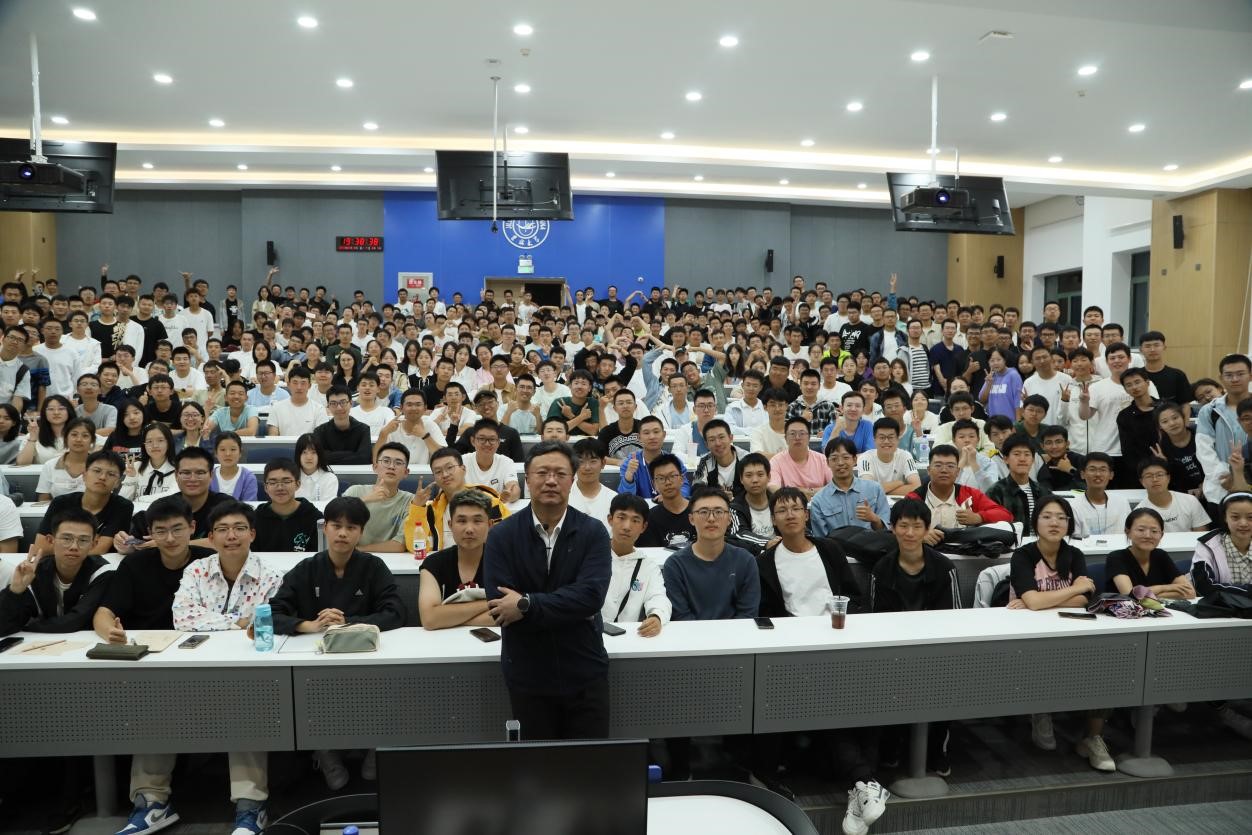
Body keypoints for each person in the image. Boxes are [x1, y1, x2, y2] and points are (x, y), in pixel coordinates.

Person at [268, 496, 406, 787]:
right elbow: (273, 613)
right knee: (306, 693)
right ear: (325, 528)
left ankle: (375, 750)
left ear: (361, 532)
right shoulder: (306, 568)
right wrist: (310, 625)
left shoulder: (373, 566)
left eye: (351, 527)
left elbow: (396, 612)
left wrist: (348, 623)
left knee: (389, 688)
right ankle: (325, 752)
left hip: (366, 658)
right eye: (336, 526)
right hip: (316, 659)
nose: (343, 533)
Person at [164, 501, 282, 835]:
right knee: (155, 701)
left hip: (248, 670)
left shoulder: (271, 576)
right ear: (211, 537)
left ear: (252, 534)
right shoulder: (196, 571)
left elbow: (266, 622)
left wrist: (219, 621)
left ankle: (250, 805)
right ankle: (151, 801)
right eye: (222, 530)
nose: (231, 536)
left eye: (240, 528)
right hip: (194, 666)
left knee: (246, 705)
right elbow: (182, 616)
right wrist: (236, 622)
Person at [482, 440, 614, 740]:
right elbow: (499, 606)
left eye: (560, 473)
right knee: (537, 764)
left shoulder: (593, 532)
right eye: (542, 473)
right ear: (527, 479)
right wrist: (566, 608)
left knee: (590, 761)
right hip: (528, 673)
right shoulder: (502, 535)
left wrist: (526, 604)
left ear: (572, 480)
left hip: (585, 670)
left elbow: (590, 598)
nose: (551, 480)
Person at [0, 507, 111, 834]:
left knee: (71, 721)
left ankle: (70, 798)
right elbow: (4, 625)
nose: (74, 547)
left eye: (82, 540)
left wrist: (30, 625)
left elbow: (76, 621)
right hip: (38, 663)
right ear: (50, 540)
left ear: (93, 544)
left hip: (87, 669)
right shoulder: (35, 570)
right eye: (66, 539)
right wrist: (16, 590)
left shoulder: (102, 572)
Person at [1006, 497, 1113, 772]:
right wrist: (1073, 589)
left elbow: (1083, 601)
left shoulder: (1074, 554)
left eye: (1061, 517)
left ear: (1069, 524)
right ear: (1035, 522)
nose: (1054, 522)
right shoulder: (1023, 555)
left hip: (1071, 627)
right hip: (1030, 633)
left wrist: (1039, 599)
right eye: (1047, 516)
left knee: (1104, 664)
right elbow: (1040, 601)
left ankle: (1093, 738)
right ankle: (1040, 708)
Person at [869, 498, 961, 777]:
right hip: (894, 651)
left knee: (946, 682)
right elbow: (875, 620)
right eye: (903, 526)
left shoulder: (944, 568)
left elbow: (954, 619)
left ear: (927, 530)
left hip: (936, 650)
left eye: (917, 526)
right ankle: (891, 746)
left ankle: (937, 749)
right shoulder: (882, 570)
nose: (909, 533)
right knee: (887, 682)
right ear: (892, 528)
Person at [119, 447, 230, 550]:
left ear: (211, 475)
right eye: (186, 473)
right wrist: (125, 545)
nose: (192, 478)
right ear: (176, 476)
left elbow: (229, 541)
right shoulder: (163, 506)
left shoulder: (226, 506)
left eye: (200, 473)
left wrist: (166, 544)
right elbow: (138, 542)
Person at [418, 488, 498, 630]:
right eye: (461, 521)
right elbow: (429, 619)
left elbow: (512, 612)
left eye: (477, 521)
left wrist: (449, 618)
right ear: (450, 525)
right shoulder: (433, 564)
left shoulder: (504, 561)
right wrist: (490, 603)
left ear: (490, 525)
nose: (469, 529)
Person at [403, 447, 511, 552]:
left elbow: (506, 541)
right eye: (438, 471)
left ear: (463, 469)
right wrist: (417, 507)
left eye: (449, 467)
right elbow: (416, 548)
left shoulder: (489, 502)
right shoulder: (431, 510)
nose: (445, 474)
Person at [905, 444, 1013, 546]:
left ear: (957, 472)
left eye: (950, 466)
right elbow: (900, 527)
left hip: (965, 554)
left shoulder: (970, 495)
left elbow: (1006, 515)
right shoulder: (915, 498)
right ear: (928, 470)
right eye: (938, 465)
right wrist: (920, 535)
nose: (944, 470)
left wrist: (979, 517)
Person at [599, 493, 670, 635]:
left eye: (635, 520)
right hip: (589, 634)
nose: (627, 526)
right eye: (621, 517)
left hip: (630, 635)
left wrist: (656, 616)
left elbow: (658, 597)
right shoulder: (591, 557)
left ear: (644, 527)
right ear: (610, 519)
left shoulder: (648, 566)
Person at [36, 450, 133, 554]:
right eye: (97, 471)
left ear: (117, 482)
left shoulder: (123, 506)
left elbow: (100, 550)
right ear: (84, 475)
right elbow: (41, 547)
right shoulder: (60, 503)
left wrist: (63, 544)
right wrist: (87, 544)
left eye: (111, 474)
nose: (102, 477)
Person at [1104, 508, 1196, 598]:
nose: (1148, 535)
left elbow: (1190, 593)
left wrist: (1146, 595)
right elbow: (1130, 595)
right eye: (1141, 530)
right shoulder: (1116, 557)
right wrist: (1166, 588)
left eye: (1154, 531)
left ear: (1161, 535)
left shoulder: (1160, 556)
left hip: (1159, 608)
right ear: (1127, 532)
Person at [342, 441, 416, 551]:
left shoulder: (410, 500)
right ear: (375, 467)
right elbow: (335, 518)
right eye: (386, 461)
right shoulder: (355, 491)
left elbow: (400, 545)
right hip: (351, 557)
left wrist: (359, 550)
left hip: (390, 558)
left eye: (398, 463)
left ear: (406, 472)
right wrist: (364, 500)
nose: (391, 466)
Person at [1196, 353, 1250, 503]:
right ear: (1221, 378)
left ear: (1250, 375)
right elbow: (1204, 450)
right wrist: (1225, 476)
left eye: (1240, 374)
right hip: (1220, 488)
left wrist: (1241, 476)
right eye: (1229, 375)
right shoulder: (1209, 411)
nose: (1235, 379)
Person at [809, 437, 890, 534]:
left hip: (871, 543)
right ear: (827, 463)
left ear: (855, 460)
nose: (840, 463)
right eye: (834, 459)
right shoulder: (819, 500)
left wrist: (875, 519)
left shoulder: (875, 489)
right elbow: (821, 539)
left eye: (846, 457)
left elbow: (886, 532)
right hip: (836, 544)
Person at [987, 435, 1052, 535]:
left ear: (1033, 460)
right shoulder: (995, 492)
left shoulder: (1044, 492)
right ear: (1006, 459)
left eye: (1027, 454)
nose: (1022, 459)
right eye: (1016, 454)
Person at [254, 458, 324, 551]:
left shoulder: (314, 517)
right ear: (266, 487)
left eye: (286, 481)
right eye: (273, 482)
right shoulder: (256, 518)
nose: (280, 487)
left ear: (297, 484)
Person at [618, 415, 689, 499]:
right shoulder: (630, 463)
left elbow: (685, 488)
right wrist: (629, 477)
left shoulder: (674, 462)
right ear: (639, 438)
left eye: (656, 432)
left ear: (664, 435)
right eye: (646, 433)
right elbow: (624, 498)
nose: (652, 437)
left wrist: (669, 497)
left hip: (669, 505)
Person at [1136, 457, 1210, 532]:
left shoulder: (1190, 501)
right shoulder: (1139, 513)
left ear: (1168, 478)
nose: (1155, 479)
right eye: (1149, 476)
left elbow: (1202, 534)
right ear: (1142, 481)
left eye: (1159, 475)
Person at [638, 454, 697, 549]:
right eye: (661, 478)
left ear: (682, 479)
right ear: (654, 484)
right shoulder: (650, 518)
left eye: (672, 476)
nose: (668, 482)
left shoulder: (699, 511)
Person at [461, 419, 522, 502]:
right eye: (482, 439)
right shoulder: (461, 461)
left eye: (492, 439)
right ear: (473, 441)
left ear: (498, 442)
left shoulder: (506, 462)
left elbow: (514, 488)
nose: (487, 444)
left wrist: (509, 495)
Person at [857, 418, 920, 496]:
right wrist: (899, 483)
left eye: (890, 437)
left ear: (898, 439)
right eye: (882, 437)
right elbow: (868, 490)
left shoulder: (905, 456)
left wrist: (883, 491)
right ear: (874, 440)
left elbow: (916, 487)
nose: (886, 441)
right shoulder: (865, 458)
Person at [768, 417, 829, 498]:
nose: (797, 437)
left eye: (802, 433)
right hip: (789, 504)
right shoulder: (776, 461)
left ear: (809, 437)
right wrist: (805, 493)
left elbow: (835, 485)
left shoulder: (822, 459)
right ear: (785, 438)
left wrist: (809, 491)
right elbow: (773, 487)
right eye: (792, 434)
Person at [312, 385, 372, 465]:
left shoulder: (363, 429)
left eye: (343, 402)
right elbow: (319, 457)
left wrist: (331, 455)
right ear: (328, 406)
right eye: (333, 403)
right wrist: (353, 454)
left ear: (351, 403)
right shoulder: (319, 431)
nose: (339, 408)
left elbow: (364, 458)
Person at [1138, 331, 1191, 413]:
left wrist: (1185, 421)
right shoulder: (1137, 376)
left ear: (1164, 347)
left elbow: (1185, 404)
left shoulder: (1178, 375)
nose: (1152, 349)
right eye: (1147, 346)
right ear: (1141, 349)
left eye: (1156, 345)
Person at [266, 366, 327, 437]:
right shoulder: (276, 408)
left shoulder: (319, 409)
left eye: (303, 383)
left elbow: (321, 437)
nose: (299, 387)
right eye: (295, 383)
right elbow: (273, 437)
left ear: (309, 386)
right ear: (288, 384)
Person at [567, 438, 616, 526]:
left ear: (603, 463)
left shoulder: (613, 499)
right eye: (581, 461)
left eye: (593, 461)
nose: (587, 467)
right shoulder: (563, 496)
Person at [596, 387, 642, 465]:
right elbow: (599, 457)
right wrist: (621, 462)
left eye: (629, 402)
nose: (625, 406)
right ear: (614, 408)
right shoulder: (606, 432)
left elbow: (655, 452)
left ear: (635, 406)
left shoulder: (645, 427)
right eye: (621, 403)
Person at [209, 431, 259, 500]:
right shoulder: (209, 476)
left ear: (240, 453)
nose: (228, 454)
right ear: (215, 453)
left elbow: (249, 505)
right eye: (222, 450)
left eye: (233, 449)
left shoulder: (248, 478)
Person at [294, 433, 340, 502]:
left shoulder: (329, 478)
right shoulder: (290, 478)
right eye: (304, 452)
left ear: (319, 455)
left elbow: (328, 506)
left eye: (313, 452)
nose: (309, 457)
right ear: (298, 455)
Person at [1040, 425, 1085, 491]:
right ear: (1042, 446)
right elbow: (1046, 492)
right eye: (1049, 443)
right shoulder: (1044, 469)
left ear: (1067, 444)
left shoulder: (1082, 460)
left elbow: (1093, 483)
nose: (1054, 446)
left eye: (1058, 442)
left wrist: (1070, 470)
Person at [749, 387, 789, 456]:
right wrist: (786, 458)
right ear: (765, 407)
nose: (777, 409)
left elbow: (803, 454)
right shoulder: (758, 432)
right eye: (773, 405)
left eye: (780, 404)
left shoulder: (796, 431)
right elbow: (757, 455)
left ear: (786, 406)